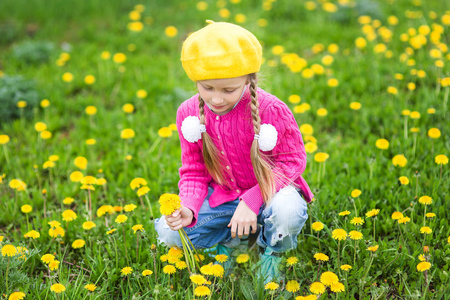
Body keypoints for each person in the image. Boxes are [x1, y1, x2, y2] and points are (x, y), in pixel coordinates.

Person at [155, 20, 314, 283]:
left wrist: (253, 200)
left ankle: (271, 250)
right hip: (224, 199)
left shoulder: (271, 110)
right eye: (207, 88)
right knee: (169, 232)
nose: (216, 99)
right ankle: (231, 239)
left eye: (228, 90)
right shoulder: (188, 113)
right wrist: (190, 208)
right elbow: (193, 170)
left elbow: (292, 161)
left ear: (249, 80)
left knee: (287, 210)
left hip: (270, 195)